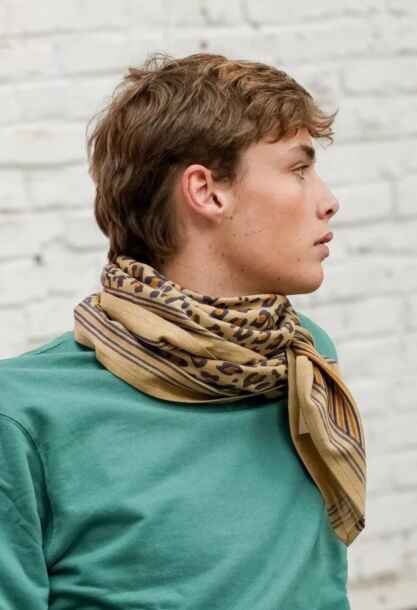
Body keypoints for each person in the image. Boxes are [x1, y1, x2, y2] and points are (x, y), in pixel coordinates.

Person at [0, 52, 366, 610]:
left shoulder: (300, 359)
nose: (328, 200)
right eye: (298, 169)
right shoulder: (24, 418)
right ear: (207, 191)